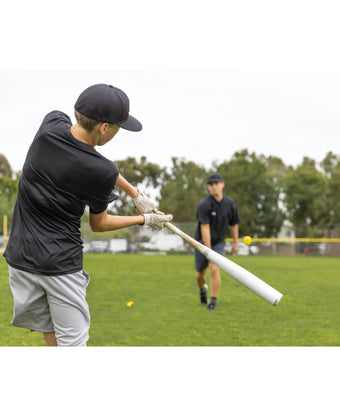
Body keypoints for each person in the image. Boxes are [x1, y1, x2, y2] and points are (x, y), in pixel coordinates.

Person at [3, 83, 172, 346]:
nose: (117, 133)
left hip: (20, 260)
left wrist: (134, 193)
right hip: (60, 265)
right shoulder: (101, 171)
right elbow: (99, 223)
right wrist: (145, 219)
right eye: (117, 128)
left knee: (52, 334)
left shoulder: (50, 124)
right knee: (73, 345)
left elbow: (91, 162)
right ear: (104, 127)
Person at [194, 173, 241, 310]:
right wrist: (208, 252)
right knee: (200, 275)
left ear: (222, 184)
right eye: (211, 184)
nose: (214, 187)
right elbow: (205, 228)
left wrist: (236, 243)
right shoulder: (204, 205)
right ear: (208, 187)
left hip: (219, 242)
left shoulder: (230, 204)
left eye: (217, 184)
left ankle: (213, 301)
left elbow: (233, 224)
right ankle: (202, 289)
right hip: (202, 242)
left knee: (214, 269)